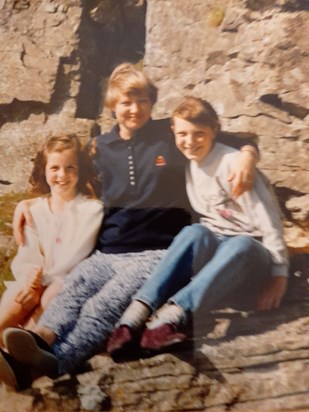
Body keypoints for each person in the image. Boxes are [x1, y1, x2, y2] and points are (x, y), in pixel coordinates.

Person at [1, 64, 258, 389]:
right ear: (113, 105)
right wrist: (27, 204)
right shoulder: (99, 148)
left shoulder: (172, 133)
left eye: (141, 101)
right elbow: (67, 181)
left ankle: (54, 364)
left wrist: (247, 156)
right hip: (107, 252)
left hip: (157, 252)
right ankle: (36, 344)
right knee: (74, 290)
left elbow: (236, 140)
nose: (134, 109)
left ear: (152, 103)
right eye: (125, 102)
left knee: (103, 305)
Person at [107, 96, 288, 355]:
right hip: (219, 258)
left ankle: (171, 317)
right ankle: (132, 320)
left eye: (199, 134)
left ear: (214, 130)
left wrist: (279, 276)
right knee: (193, 232)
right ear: (173, 132)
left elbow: (270, 222)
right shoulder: (187, 160)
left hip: (251, 257)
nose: (190, 141)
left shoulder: (232, 163)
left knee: (239, 243)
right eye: (183, 134)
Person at [0, 134, 103, 388]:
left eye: (70, 168)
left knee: (49, 297)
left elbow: (75, 254)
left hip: (65, 282)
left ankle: (23, 359)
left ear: (81, 170)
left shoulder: (91, 210)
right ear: (44, 171)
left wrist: (41, 280)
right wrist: (30, 278)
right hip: (37, 279)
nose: (62, 175)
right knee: (20, 294)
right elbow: (28, 252)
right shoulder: (35, 211)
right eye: (54, 168)